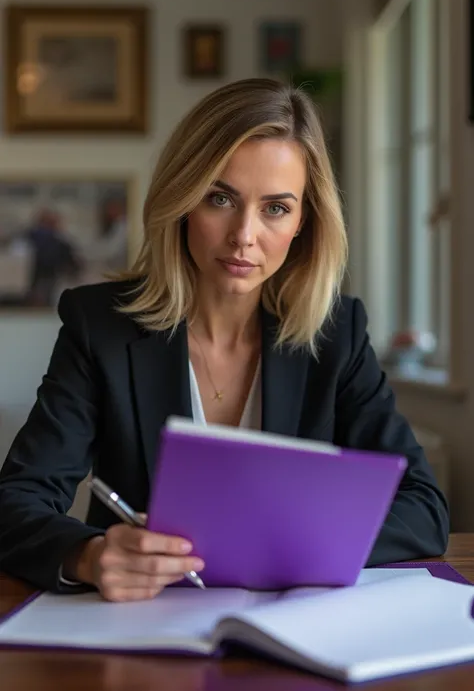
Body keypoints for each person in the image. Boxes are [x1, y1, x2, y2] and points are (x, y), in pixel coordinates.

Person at [0, 78, 449, 602]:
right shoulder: (100, 325)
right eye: (221, 198)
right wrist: (89, 556)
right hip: (141, 634)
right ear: (184, 199)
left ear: (305, 220)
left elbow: (424, 508)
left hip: (294, 634)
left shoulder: (336, 334)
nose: (244, 234)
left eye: (276, 208)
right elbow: (17, 501)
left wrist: (288, 545)